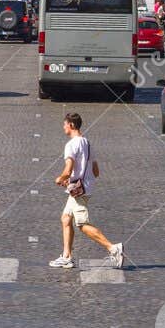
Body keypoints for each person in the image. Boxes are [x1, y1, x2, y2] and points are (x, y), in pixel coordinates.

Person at [49, 112, 125, 271]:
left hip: (79, 191)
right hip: (86, 187)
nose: (63, 127)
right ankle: (67, 257)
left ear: (70, 125)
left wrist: (60, 178)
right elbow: (96, 171)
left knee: (82, 224)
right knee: (65, 218)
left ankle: (113, 248)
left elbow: (68, 169)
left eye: (64, 124)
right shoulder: (88, 143)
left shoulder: (71, 145)